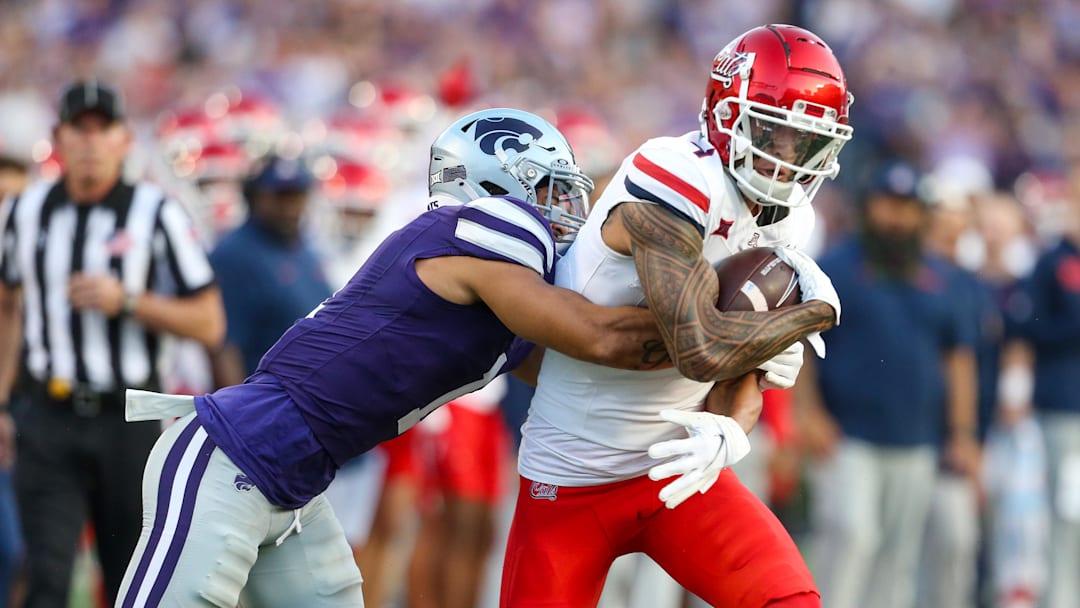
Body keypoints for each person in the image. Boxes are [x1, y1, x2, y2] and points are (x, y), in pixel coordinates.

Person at [502, 24, 850, 608]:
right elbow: (703, 348)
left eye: (806, 142)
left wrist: (731, 428)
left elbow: (741, 373)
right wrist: (816, 310)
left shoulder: (788, 218)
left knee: (791, 600)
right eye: (775, 132)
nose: (789, 159)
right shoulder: (673, 170)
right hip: (571, 473)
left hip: (678, 471)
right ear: (727, 112)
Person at [0, 79, 225, 608]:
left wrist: (129, 301)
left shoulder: (157, 212)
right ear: (59, 138)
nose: (92, 142)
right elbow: (6, 304)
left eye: (105, 129)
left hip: (129, 418)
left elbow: (210, 322)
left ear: (125, 139)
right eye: (80, 129)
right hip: (46, 414)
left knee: (129, 578)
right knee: (48, 576)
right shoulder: (24, 211)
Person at [795, 159, 978, 608]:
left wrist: (962, 432)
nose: (896, 216)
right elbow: (800, 344)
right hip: (847, 433)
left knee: (898, 553)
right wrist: (809, 413)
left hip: (916, 436)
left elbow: (958, 359)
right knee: (852, 536)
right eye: (887, 204)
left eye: (907, 207)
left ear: (921, 214)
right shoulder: (835, 264)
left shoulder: (942, 276)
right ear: (869, 206)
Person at [209, 155, 334, 386]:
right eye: (279, 197)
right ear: (255, 198)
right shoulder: (234, 254)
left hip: (316, 395)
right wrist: (238, 414)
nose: (289, 207)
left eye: (296, 196)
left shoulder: (304, 247)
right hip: (270, 400)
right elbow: (223, 345)